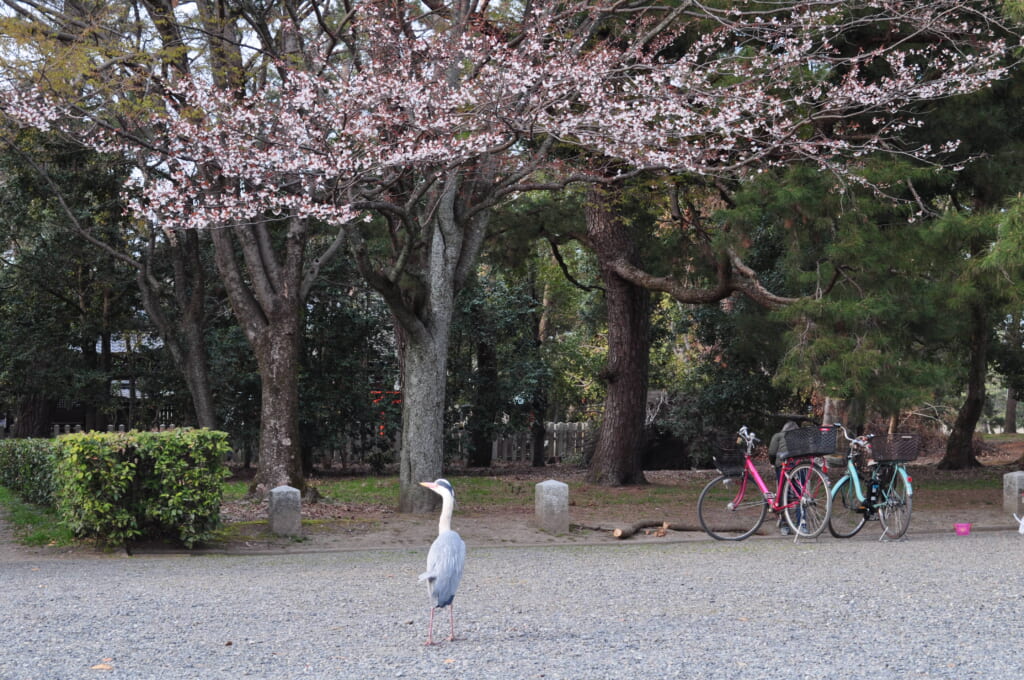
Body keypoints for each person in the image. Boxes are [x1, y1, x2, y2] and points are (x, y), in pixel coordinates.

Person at [768, 420, 799, 535]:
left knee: (782, 493)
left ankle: (784, 523)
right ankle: (801, 523)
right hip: (798, 465)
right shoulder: (800, 437)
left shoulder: (778, 436)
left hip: (782, 466)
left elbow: (772, 452)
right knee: (798, 494)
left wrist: (773, 463)